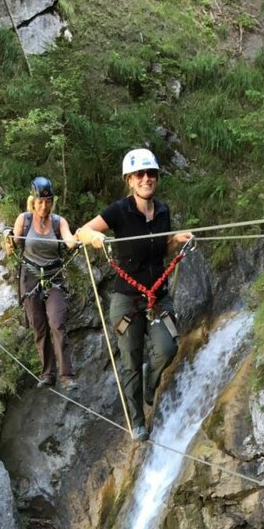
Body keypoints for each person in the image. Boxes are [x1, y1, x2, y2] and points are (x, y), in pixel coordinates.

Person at [75, 148, 193, 441]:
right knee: (130, 361)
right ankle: (138, 422)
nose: (146, 179)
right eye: (140, 174)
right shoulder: (119, 211)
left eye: (151, 173)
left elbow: (159, 251)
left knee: (167, 349)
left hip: (157, 296)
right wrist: (97, 237)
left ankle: (150, 386)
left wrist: (175, 241)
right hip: (127, 299)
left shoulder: (163, 211)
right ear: (129, 180)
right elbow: (81, 232)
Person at [8, 176, 78, 390]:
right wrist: (8, 239)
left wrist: (77, 240)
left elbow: (68, 241)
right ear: (33, 201)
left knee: (57, 323)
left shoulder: (59, 222)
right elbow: (14, 241)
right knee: (39, 327)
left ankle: (67, 376)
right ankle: (48, 374)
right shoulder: (24, 219)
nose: (44, 206)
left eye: (48, 202)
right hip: (30, 279)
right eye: (40, 202)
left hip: (54, 278)